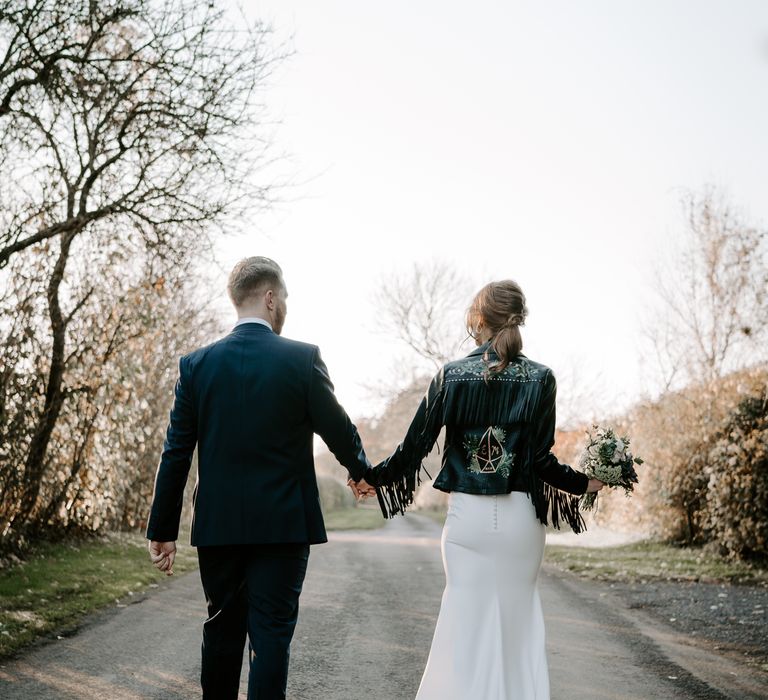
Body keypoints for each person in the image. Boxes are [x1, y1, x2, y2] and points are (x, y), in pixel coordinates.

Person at [146, 256, 374, 700]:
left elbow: (176, 451)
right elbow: (339, 430)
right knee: (270, 637)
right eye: (284, 298)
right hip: (284, 526)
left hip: (219, 526)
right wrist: (360, 473)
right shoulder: (302, 359)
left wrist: (163, 528)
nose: (284, 306)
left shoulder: (196, 366)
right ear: (271, 298)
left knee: (222, 631)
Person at [364, 279, 604, 700]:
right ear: (519, 318)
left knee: (463, 630)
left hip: (467, 522)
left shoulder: (450, 376)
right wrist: (586, 482)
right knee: (518, 630)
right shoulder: (541, 379)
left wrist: (373, 477)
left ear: (477, 320)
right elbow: (541, 462)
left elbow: (413, 448)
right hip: (520, 525)